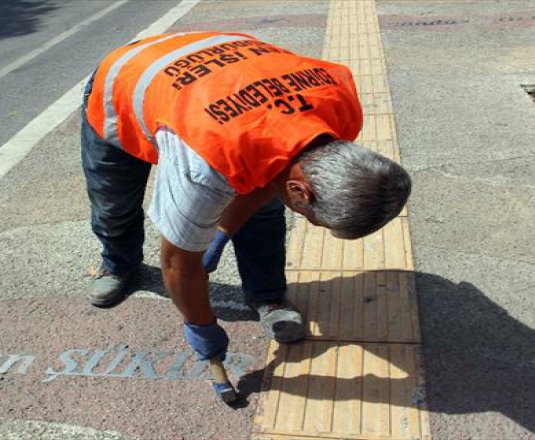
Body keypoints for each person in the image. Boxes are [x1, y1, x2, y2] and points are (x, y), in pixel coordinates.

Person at [80, 32, 411, 363]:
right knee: (114, 204)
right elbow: (177, 261)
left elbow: (279, 172)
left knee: (263, 212)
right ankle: (119, 264)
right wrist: (201, 325)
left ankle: (267, 295)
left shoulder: (339, 109)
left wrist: (220, 235)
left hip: (215, 76)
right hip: (124, 84)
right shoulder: (206, 159)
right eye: (313, 218)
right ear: (301, 191)